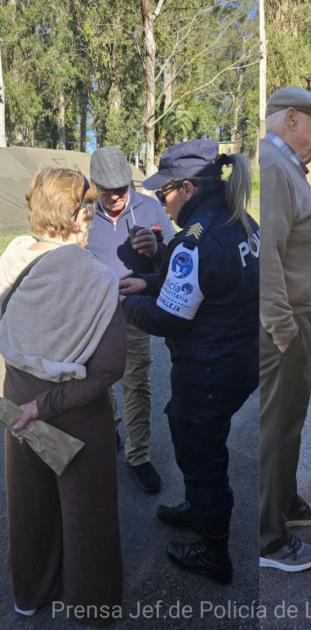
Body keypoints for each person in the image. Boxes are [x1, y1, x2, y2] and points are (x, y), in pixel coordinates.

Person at [118, 139, 259, 583]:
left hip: (209, 367)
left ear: (187, 189)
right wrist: (157, 268)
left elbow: (168, 320)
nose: (163, 202)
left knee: (202, 456)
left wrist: (126, 303)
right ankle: (200, 508)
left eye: (164, 194)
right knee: (200, 440)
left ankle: (214, 552)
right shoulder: (239, 219)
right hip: (238, 358)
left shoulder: (195, 242)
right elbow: (208, 280)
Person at [0, 168, 126, 623]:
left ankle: (30, 594)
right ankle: (92, 608)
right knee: (86, 513)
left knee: (28, 504)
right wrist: (49, 403)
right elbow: (111, 366)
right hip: (74, 407)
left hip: (16, 396)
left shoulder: (12, 255)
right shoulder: (95, 276)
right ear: (79, 216)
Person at [259, 86, 311, 573]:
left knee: (288, 426)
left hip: (301, 315)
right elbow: (270, 256)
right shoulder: (274, 167)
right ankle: (268, 541)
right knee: (276, 430)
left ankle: (284, 505)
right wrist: (283, 328)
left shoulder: (286, 168)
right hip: (287, 322)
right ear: (290, 120)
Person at [88, 145, 175, 494]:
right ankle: (111, 430)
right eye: (106, 191)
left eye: (121, 190)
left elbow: (174, 259)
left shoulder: (150, 207)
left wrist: (155, 251)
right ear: (95, 186)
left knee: (136, 383)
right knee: (99, 381)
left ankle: (139, 456)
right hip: (93, 312)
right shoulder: (83, 213)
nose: (114, 198)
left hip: (135, 311)